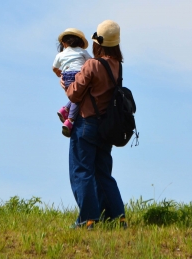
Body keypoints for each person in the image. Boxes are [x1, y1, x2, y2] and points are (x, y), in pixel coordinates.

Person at [62, 20, 127, 229]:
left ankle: (88, 218)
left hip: (86, 124)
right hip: (106, 128)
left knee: (81, 171)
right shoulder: (118, 67)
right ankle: (118, 217)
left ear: (98, 44)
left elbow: (73, 93)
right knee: (103, 173)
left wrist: (65, 84)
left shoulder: (92, 65)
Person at [52, 28, 91, 137]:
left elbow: (54, 68)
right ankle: (70, 120)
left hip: (66, 78)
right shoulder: (82, 51)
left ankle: (65, 109)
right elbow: (91, 63)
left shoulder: (60, 55)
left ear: (64, 43)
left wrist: (59, 74)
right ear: (80, 43)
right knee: (80, 96)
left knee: (76, 96)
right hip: (79, 76)